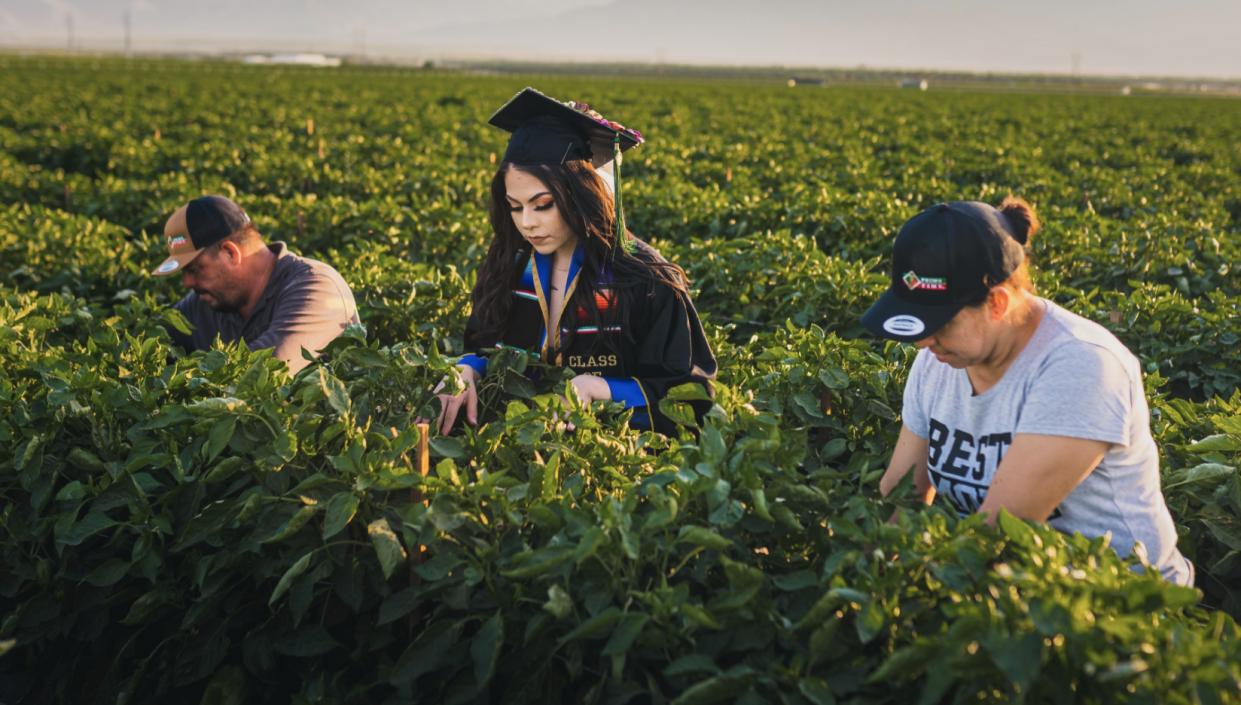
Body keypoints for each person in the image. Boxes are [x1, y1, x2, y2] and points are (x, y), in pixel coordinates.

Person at [864, 197, 1193, 586]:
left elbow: (997, 533)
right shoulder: (939, 363)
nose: (923, 342)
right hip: (1025, 593)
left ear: (997, 304)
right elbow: (901, 499)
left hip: (1128, 607)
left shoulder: (1079, 367)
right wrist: (861, 577)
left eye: (941, 323)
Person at [432, 88, 717, 436]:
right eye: (514, 205)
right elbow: (482, 344)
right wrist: (466, 371)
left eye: (543, 204)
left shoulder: (647, 279)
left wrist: (602, 390)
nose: (527, 223)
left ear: (580, 194)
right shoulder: (508, 263)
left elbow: (690, 396)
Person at [151, 195, 360, 374]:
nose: (187, 283)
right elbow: (145, 343)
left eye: (195, 269)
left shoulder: (316, 288)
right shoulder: (203, 302)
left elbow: (260, 373)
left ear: (231, 253)